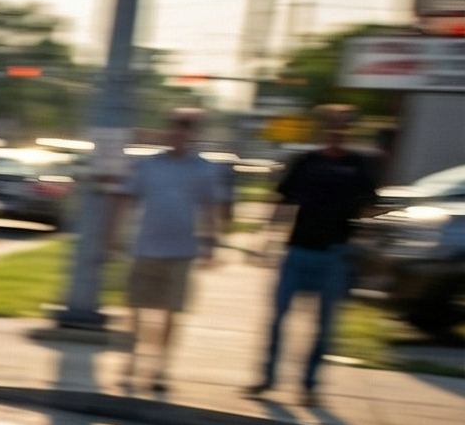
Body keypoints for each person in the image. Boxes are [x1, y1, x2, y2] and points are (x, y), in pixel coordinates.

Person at [254, 105, 385, 404]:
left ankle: (309, 387)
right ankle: (267, 378)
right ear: (324, 128)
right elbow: (284, 200)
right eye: (332, 125)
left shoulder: (359, 166)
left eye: (343, 126)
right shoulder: (306, 162)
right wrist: (266, 238)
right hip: (299, 250)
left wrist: (369, 245)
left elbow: (370, 207)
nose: (337, 131)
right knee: (277, 319)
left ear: (349, 129)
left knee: (324, 326)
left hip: (335, 254)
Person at [116, 108, 233, 397]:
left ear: (195, 133)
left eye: (187, 128)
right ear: (169, 130)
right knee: (136, 310)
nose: (180, 132)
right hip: (146, 247)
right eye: (176, 127)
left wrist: (211, 243)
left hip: (182, 251)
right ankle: (131, 362)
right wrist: (116, 237)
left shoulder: (204, 169)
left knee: (171, 314)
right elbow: (127, 199)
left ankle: (159, 369)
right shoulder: (149, 165)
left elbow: (210, 208)